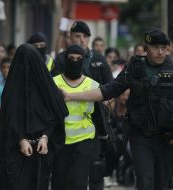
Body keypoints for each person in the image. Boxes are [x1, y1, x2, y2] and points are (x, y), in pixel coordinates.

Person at [63, 28, 173, 190]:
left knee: (162, 183)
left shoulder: (171, 68)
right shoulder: (135, 68)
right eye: (156, 48)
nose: (161, 52)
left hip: (166, 137)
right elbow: (107, 90)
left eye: (164, 48)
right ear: (146, 48)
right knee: (145, 182)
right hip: (141, 135)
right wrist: (72, 96)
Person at [0, 44, 68, 190]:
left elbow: (56, 116)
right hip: (15, 150)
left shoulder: (47, 90)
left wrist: (45, 137)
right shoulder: (11, 91)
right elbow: (9, 119)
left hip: (41, 151)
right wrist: (21, 139)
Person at [53, 20, 113, 190]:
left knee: (91, 172)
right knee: (61, 178)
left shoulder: (99, 60)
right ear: (70, 38)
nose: (81, 40)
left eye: (85, 36)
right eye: (77, 36)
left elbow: (111, 89)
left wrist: (106, 106)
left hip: (92, 126)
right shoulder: (60, 60)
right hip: (62, 131)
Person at [51, 45, 99, 190]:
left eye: (78, 59)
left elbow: (100, 114)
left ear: (83, 61)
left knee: (79, 183)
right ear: (65, 60)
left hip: (84, 140)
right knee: (59, 183)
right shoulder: (53, 83)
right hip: (59, 140)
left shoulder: (92, 84)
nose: (74, 61)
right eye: (71, 58)